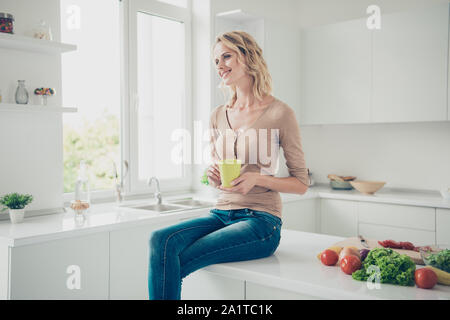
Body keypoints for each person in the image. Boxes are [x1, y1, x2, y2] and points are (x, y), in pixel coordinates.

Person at [148, 30, 309, 300]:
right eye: (216, 61)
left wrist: (258, 179)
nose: (220, 66)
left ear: (247, 57)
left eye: (226, 56)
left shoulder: (281, 113)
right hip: (221, 214)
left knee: (177, 259)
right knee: (160, 240)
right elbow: (220, 175)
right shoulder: (218, 115)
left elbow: (301, 184)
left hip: (261, 221)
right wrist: (212, 176)